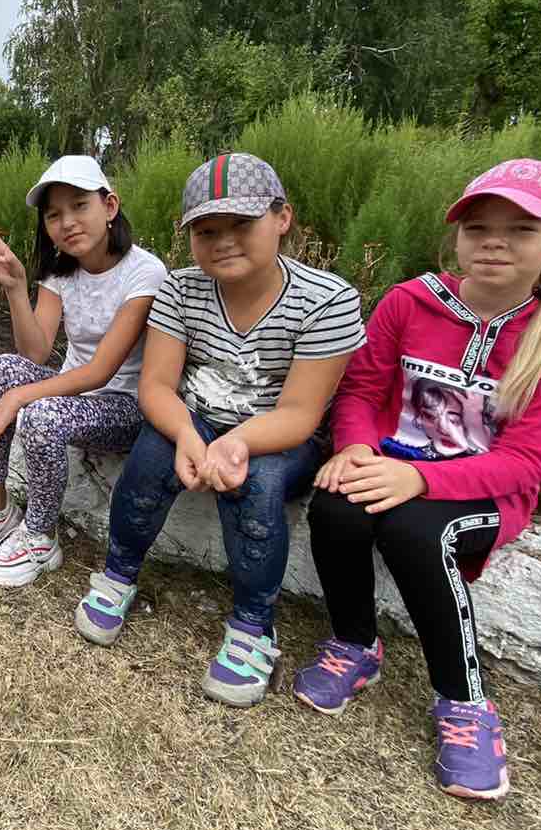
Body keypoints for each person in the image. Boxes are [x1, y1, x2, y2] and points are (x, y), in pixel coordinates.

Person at [296, 159, 541, 802]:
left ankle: (464, 702)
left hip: (484, 491)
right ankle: (355, 643)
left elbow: (525, 463)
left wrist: (418, 479)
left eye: (522, 229)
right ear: (457, 237)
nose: (494, 243)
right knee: (336, 506)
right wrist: (355, 449)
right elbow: (362, 389)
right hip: (392, 459)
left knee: (414, 531)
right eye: (478, 227)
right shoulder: (411, 302)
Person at [74, 152, 365, 710]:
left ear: (282, 218)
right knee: (150, 458)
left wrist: (236, 443)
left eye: (242, 224)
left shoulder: (327, 300)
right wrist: (188, 436)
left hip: (280, 433)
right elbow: (157, 387)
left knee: (255, 484)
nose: (224, 241)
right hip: (198, 416)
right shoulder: (181, 291)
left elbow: (301, 413)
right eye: (207, 230)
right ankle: (118, 573)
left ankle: (253, 626)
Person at [0, 155, 166, 585]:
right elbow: (35, 352)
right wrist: (16, 288)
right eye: (53, 215)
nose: (66, 222)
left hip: (126, 406)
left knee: (40, 413)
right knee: (2, 370)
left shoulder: (145, 272)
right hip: (75, 397)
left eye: (79, 206)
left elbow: (101, 370)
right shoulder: (61, 271)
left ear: (110, 206)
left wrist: (19, 398)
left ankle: (40, 535)